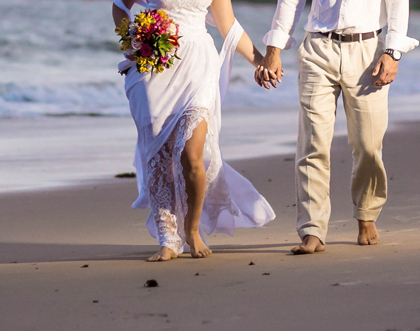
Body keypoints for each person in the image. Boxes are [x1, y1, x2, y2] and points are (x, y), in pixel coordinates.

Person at [115, 0, 276, 262]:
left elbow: (229, 27)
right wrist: (132, 38)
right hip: (154, 67)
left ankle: (192, 229)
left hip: (198, 66)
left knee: (193, 155)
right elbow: (120, 4)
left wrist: (261, 61)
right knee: (159, 156)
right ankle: (168, 239)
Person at [254, 0, 418, 254]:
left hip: (368, 50)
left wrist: (393, 51)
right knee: (313, 143)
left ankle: (366, 213)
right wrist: (273, 50)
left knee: (368, 143)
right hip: (318, 48)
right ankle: (312, 229)